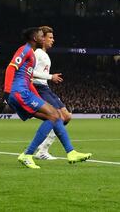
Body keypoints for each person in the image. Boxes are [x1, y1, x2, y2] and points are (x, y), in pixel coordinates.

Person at [4, 27, 91, 169]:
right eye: (41, 36)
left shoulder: (31, 55)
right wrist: (6, 93)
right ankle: (29, 153)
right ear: (35, 38)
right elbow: (11, 68)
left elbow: (28, 79)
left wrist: (37, 97)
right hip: (20, 92)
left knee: (56, 116)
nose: (43, 38)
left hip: (27, 91)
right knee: (54, 116)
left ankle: (70, 152)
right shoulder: (25, 50)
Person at [31, 26, 71, 161]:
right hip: (39, 88)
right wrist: (50, 77)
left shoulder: (44, 54)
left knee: (67, 116)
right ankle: (41, 150)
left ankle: (42, 149)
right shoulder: (37, 53)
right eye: (50, 37)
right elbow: (30, 72)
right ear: (42, 39)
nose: (53, 40)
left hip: (45, 88)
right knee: (58, 116)